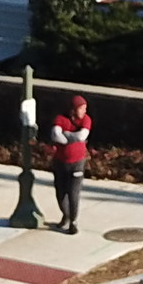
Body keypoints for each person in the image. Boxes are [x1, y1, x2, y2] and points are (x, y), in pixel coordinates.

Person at [48, 95, 91, 234]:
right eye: (82, 108)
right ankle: (65, 215)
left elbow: (82, 136)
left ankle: (73, 221)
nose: (85, 110)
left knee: (73, 193)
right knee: (60, 193)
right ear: (73, 109)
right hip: (60, 163)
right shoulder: (61, 119)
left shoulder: (86, 119)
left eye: (85, 108)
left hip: (78, 163)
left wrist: (66, 136)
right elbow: (55, 135)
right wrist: (70, 137)